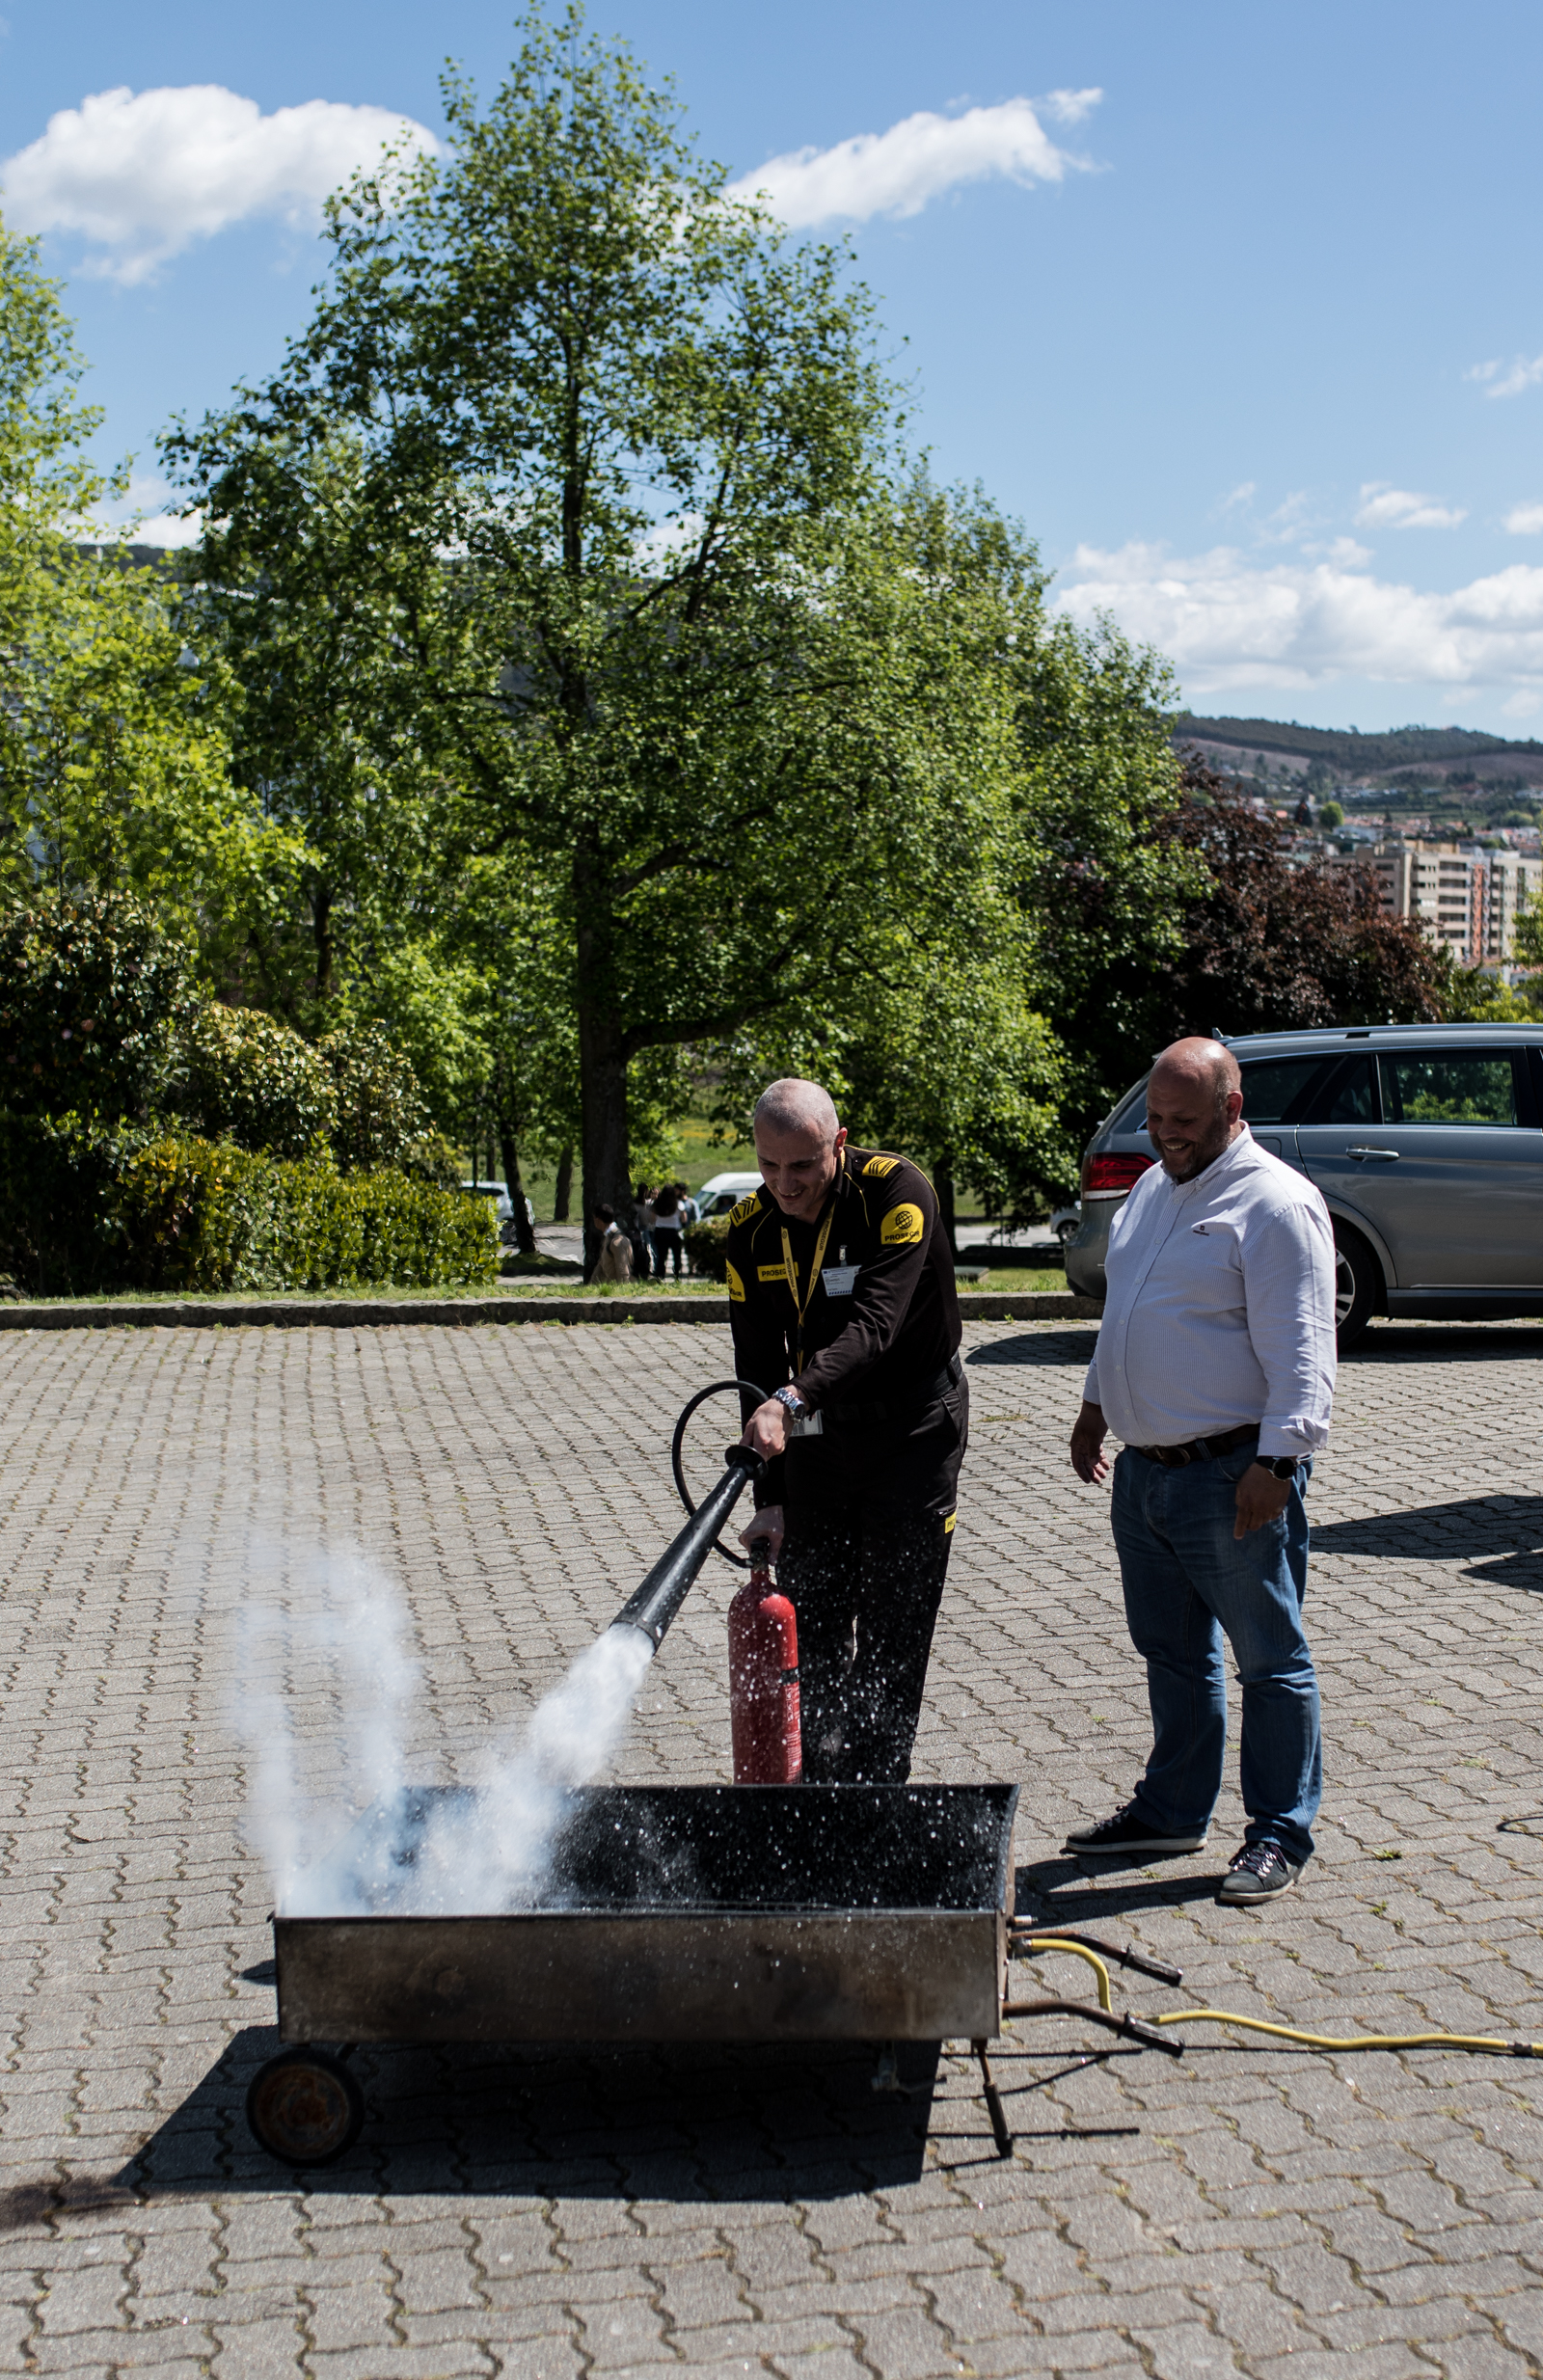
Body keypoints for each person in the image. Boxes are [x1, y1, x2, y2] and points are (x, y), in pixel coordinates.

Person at [1068, 1036, 1336, 1903]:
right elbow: (1124, 1313)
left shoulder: (1276, 1205)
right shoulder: (1154, 1186)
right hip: (1145, 1475)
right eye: (1155, 1118)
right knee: (1173, 1655)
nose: (1165, 1135)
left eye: (1183, 1121)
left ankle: (1279, 1833)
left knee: (1270, 1660)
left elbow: (1304, 1349)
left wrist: (1280, 1464)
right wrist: (1095, 1405)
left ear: (1232, 1108)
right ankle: (1173, 1810)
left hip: (1233, 1477)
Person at [728, 1078, 966, 1783]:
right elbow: (755, 1365)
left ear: (838, 1143)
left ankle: (877, 1789)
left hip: (913, 1431)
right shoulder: (748, 1228)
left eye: (801, 1166)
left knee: (896, 1626)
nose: (784, 1185)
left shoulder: (896, 1193)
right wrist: (768, 1496)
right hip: (815, 1440)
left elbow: (877, 1325)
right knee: (818, 1620)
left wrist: (791, 1398)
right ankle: (826, 1784)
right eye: (769, 1167)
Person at [591, 1204, 634, 1283]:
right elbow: (601, 1264)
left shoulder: (617, 1242)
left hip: (616, 1291)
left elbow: (623, 1273)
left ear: (598, 1220)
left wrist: (619, 1293)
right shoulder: (609, 1237)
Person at [652, 1181, 685, 1279]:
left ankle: (660, 1275)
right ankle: (677, 1274)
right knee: (676, 1255)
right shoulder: (678, 1203)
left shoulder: (657, 1203)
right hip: (673, 1232)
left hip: (660, 1231)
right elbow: (684, 1219)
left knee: (661, 1255)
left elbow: (652, 1218)